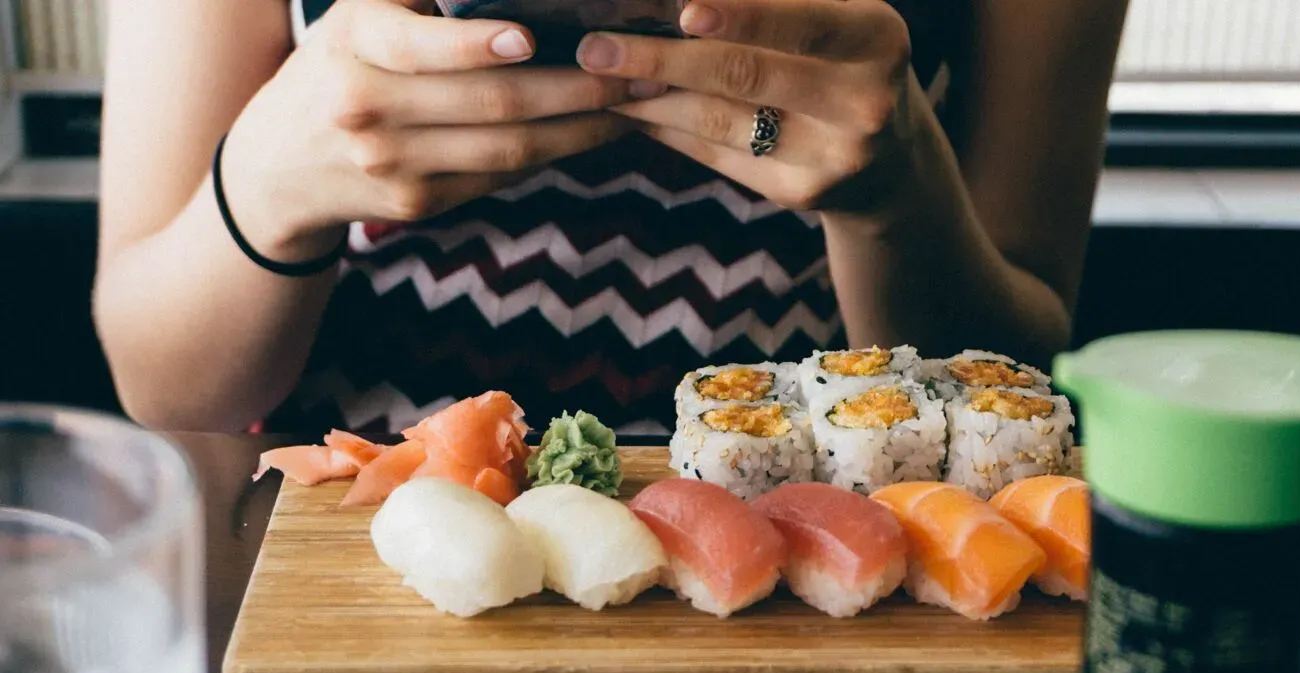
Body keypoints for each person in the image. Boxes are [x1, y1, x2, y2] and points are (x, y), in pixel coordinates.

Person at [93, 0, 1129, 434]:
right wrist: (269, 192)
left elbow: (1013, 387)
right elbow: (164, 382)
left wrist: (894, 201)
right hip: (353, 569)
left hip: (828, 579)